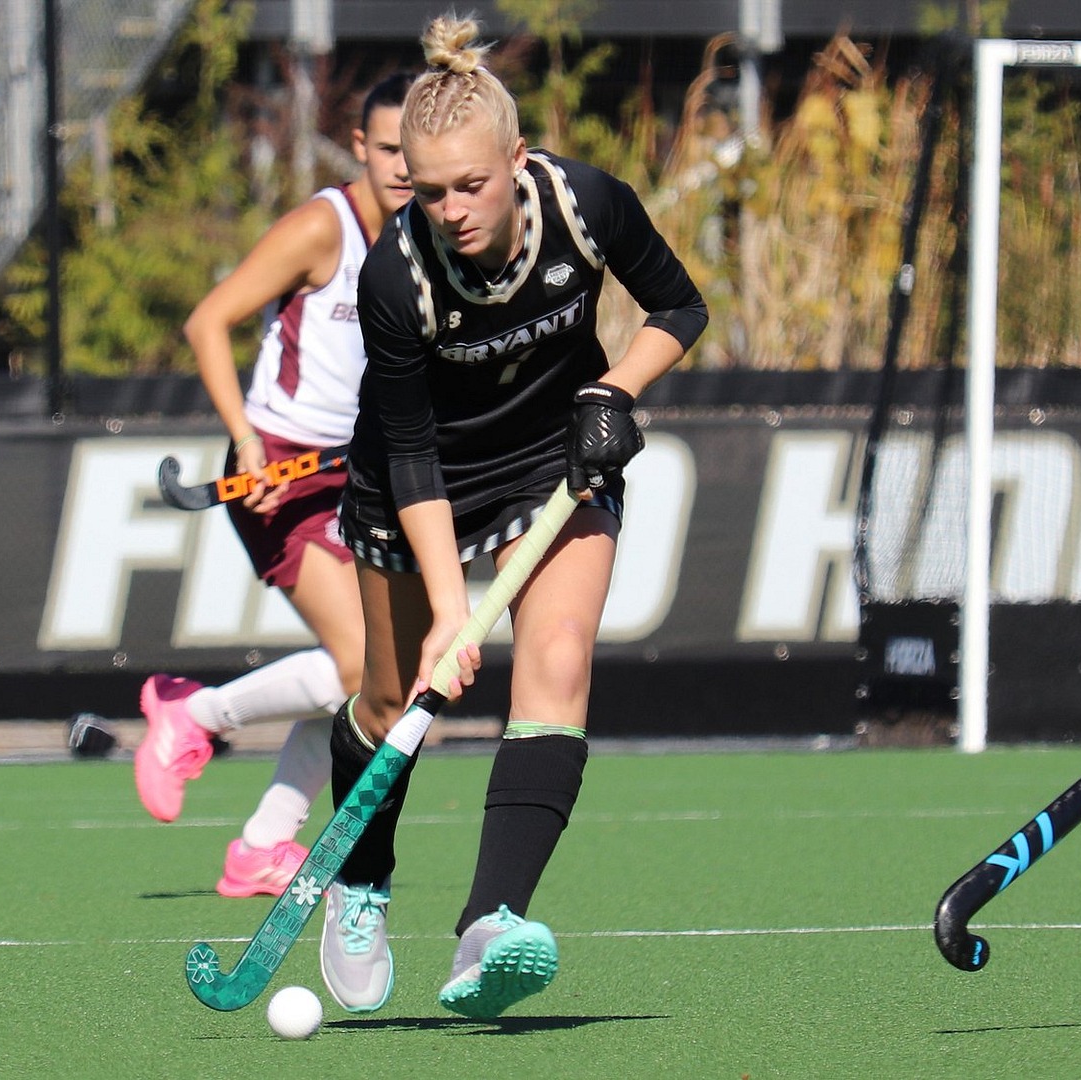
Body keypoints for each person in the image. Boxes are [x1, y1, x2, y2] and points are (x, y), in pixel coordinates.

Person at [311, 14, 708, 1019]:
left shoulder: (587, 208)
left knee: (561, 658)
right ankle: (360, 882)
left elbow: (679, 309)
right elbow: (408, 451)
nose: (450, 209)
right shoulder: (396, 277)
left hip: (552, 459)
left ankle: (490, 925)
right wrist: (451, 606)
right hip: (420, 479)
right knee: (391, 699)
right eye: (427, 190)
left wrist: (611, 395)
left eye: (470, 185)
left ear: (516, 161)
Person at [133, 75, 414, 900]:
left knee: (373, 680)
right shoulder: (322, 228)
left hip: (360, 474)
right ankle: (196, 719)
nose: (404, 167)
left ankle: (261, 844)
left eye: (417, 151)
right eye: (389, 148)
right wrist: (249, 442)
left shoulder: (431, 236)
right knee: (364, 666)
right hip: (279, 472)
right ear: (360, 146)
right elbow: (207, 320)